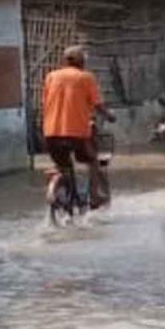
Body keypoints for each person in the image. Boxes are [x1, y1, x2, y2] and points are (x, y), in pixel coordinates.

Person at [43, 45, 114, 209]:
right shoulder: (86, 78)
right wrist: (110, 116)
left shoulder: (50, 77)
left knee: (62, 166)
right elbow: (98, 105)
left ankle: (56, 190)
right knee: (92, 161)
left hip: (51, 133)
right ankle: (95, 197)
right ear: (82, 61)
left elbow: (46, 102)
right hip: (76, 134)